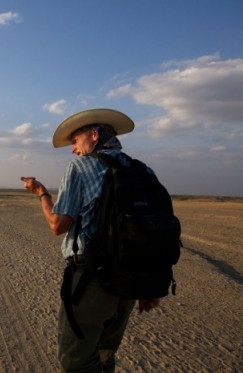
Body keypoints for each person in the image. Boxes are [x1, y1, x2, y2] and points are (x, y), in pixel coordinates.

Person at [21, 108, 160, 372]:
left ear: (94, 135)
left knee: (76, 360)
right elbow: (151, 228)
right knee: (105, 354)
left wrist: (41, 194)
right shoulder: (143, 170)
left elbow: (57, 225)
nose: (73, 149)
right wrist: (149, 284)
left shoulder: (80, 167)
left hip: (93, 280)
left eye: (75, 141)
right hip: (130, 281)